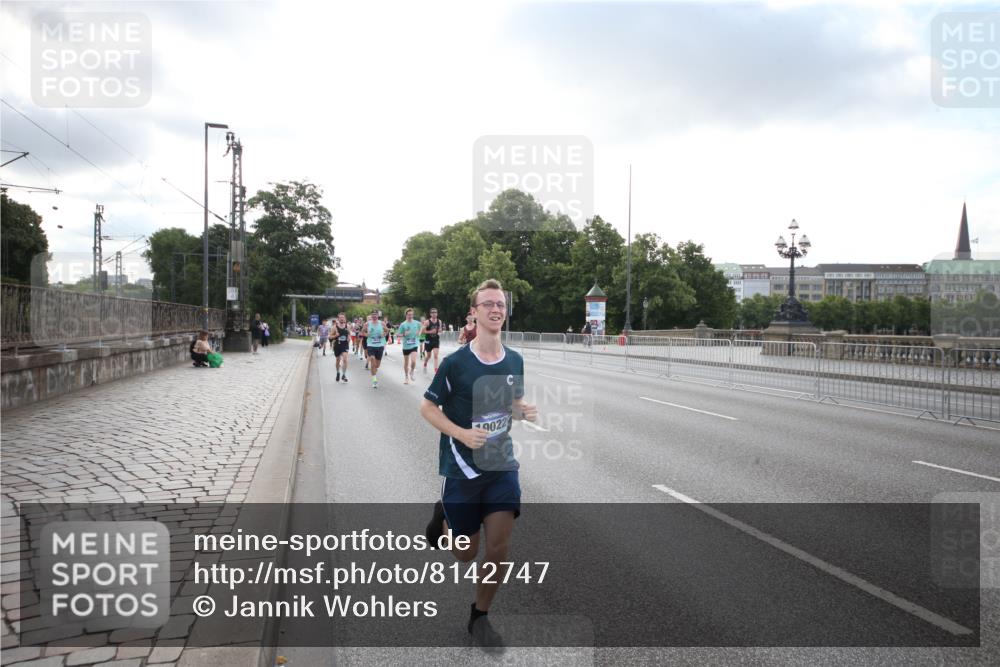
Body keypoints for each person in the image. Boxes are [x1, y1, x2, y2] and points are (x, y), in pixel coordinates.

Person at [420, 279, 537, 651]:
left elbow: (510, 404)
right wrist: (461, 433)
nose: (495, 309)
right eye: (487, 303)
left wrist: (523, 411)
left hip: (502, 465)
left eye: (500, 304)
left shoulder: (515, 360)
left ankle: (480, 617)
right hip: (462, 468)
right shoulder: (456, 364)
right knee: (465, 552)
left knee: (499, 548)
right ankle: (444, 516)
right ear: (474, 312)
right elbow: (427, 407)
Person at [397, 308, 421, 384]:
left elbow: (422, 327)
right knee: (406, 363)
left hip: (414, 344)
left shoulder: (417, 323)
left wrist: (419, 333)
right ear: (406, 315)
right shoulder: (403, 324)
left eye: (411, 314)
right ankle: (406, 377)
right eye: (409, 315)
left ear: (413, 315)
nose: (410, 316)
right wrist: (404, 334)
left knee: (413, 361)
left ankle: (412, 371)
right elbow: (397, 334)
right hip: (406, 346)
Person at [362, 312, 385, 388]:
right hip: (371, 345)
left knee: (377, 365)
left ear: (378, 316)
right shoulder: (367, 324)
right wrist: (366, 334)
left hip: (380, 345)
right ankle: (374, 380)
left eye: (376, 315)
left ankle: (374, 370)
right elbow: (362, 332)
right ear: (371, 316)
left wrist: (383, 334)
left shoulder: (382, 323)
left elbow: (387, 330)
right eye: (373, 315)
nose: (374, 316)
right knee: (372, 359)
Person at [421, 308, 442, 374]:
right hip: (428, 341)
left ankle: (436, 370)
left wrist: (440, 331)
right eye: (432, 313)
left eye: (435, 312)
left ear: (437, 313)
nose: (434, 314)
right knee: (429, 356)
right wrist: (431, 331)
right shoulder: (427, 322)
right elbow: (423, 331)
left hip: (436, 340)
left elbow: (440, 329)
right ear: (430, 314)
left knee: (436, 355)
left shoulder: (439, 321)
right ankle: (425, 364)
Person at [333, 313, 350, 383]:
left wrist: (349, 337)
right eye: (340, 318)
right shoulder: (334, 327)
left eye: (343, 317)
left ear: (345, 318)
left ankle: (344, 374)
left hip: (345, 345)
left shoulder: (347, 326)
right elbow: (330, 336)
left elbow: (349, 333)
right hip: (337, 345)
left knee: (345, 359)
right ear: (338, 319)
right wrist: (335, 336)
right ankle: (338, 372)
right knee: (338, 360)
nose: (342, 319)